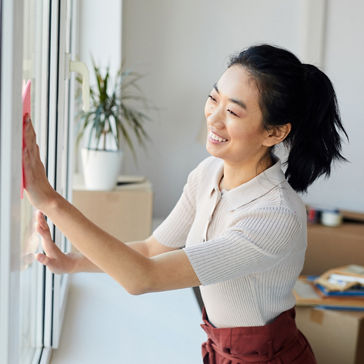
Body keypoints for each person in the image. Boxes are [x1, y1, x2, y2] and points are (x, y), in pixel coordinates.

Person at [24, 44, 348, 363]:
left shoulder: (274, 216)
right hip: (221, 349)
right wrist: (74, 262)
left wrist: (50, 201)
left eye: (233, 111)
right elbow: (152, 251)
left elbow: (143, 277)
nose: (214, 118)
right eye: (213, 98)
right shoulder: (208, 173)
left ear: (274, 133)